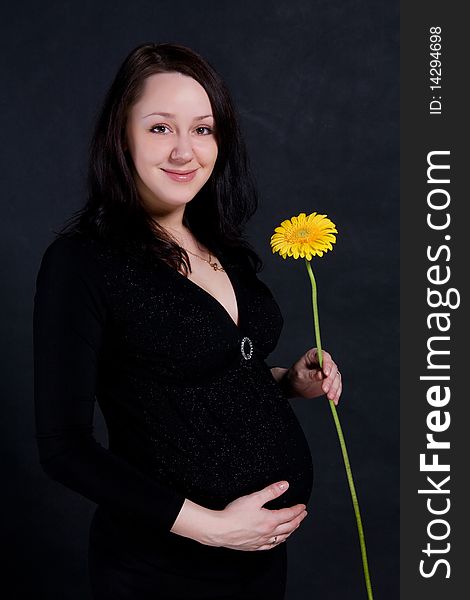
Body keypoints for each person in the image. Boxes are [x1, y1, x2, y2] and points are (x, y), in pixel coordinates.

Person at [33, 42, 342, 600]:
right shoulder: (83, 263)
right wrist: (215, 529)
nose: (184, 150)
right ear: (120, 136)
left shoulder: (224, 247)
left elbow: (196, 380)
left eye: (202, 129)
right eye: (158, 128)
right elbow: (64, 448)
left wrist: (288, 383)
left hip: (261, 565)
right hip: (161, 573)